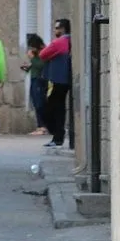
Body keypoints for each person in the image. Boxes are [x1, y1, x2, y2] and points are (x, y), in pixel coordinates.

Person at [39, 18, 72, 148]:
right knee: (60, 109)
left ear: (63, 29)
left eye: (57, 28)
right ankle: (58, 137)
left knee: (48, 109)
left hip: (56, 81)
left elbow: (43, 54)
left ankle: (57, 134)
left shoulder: (59, 42)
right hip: (65, 81)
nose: (55, 30)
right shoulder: (70, 41)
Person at [21, 34, 48, 135]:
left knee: (39, 103)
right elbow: (36, 65)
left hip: (39, 80)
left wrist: (32, 58)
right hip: (34, 78)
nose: (31, 49)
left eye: (32, 46)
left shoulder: (43, 51)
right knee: (36, 102)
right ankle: (40, 126)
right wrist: (28, 67)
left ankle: (42, 126)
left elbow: (41, 65)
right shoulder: (37, 53)